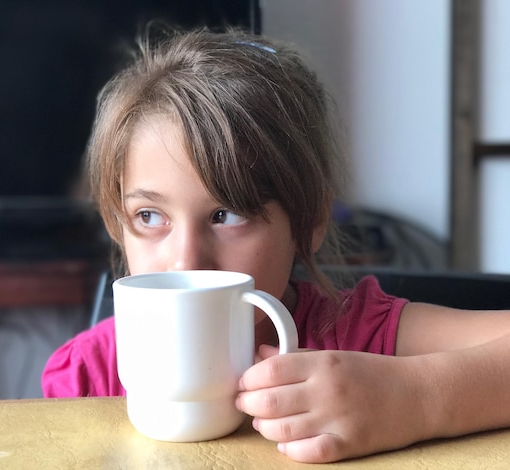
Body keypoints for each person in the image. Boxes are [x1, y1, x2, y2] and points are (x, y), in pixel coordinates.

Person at [42, 27, 510, 463]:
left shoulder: (357, 339)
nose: (187, 261)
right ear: (115, 224)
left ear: (308, 223)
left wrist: (413, 399)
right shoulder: (87, 377)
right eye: (149, 216)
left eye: (227, 215)